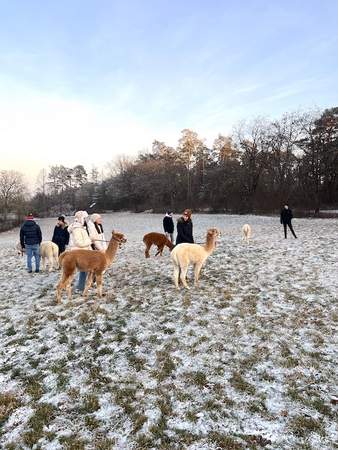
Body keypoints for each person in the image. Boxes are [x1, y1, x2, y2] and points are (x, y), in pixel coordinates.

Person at [68, 211, 92, 293]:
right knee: (83, 271)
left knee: (85, 271)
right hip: (79, 253)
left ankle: (82, 286)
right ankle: (80, 288)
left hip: (83, 253)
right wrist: (89, 241)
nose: (85, 220)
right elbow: (79, 242)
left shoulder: (80, 227)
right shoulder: (77, 229)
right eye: (84, 218)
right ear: (80, 218)